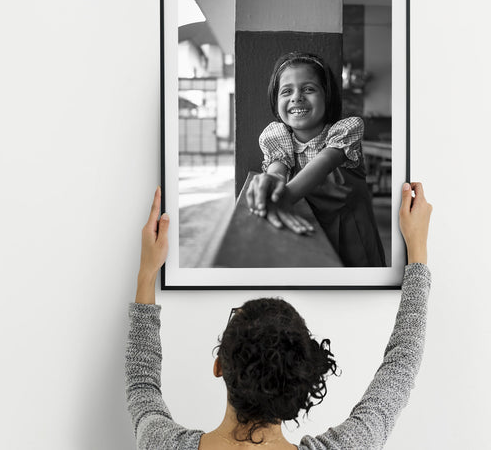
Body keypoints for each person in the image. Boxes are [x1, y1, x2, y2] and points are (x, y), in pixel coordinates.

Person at [126, 182, 432, 449]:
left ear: (218, 366)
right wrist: (417, 249)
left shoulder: (161, 443)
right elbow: (401, 366)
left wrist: (147, 273)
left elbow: (142, 383)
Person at [245, 51, 385, 267]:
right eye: (286, 91)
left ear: (327, 96)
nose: (297, 97)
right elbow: (277, 170)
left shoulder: (345, 132)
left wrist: (285, 196)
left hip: (352, 239)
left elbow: (325, 161)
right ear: (275, 100)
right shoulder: (278, 138)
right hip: (304, 231)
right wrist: (272, 185)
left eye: (308, 89)